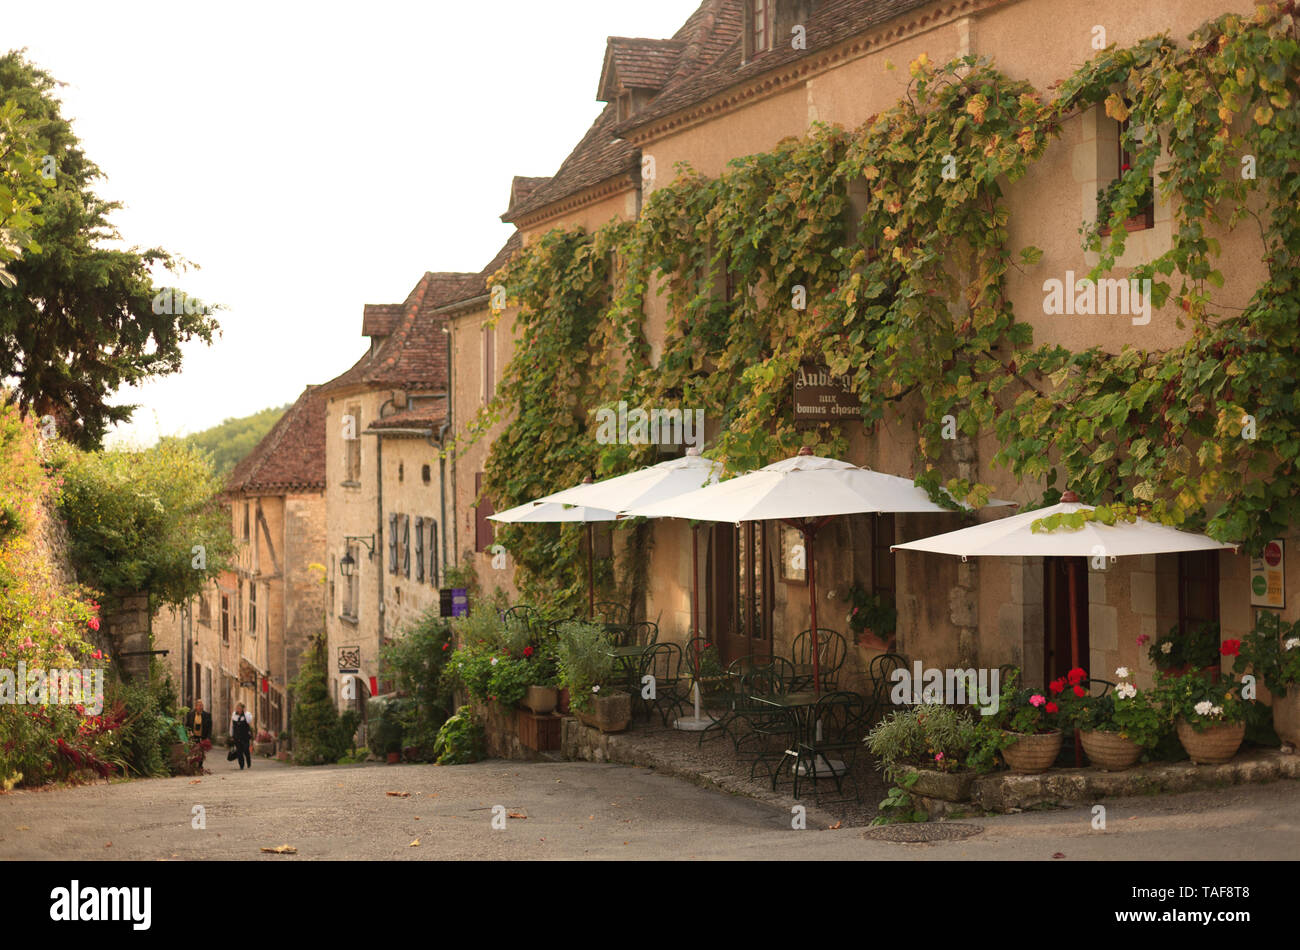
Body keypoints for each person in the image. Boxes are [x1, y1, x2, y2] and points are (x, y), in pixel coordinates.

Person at [231, 702, 254, 770]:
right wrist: (231, 735)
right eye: (237, 708)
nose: (238, 709)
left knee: (246, 750)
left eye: (240, 708)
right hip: (237, 736)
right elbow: (232, 726)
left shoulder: (246, 715)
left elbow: (249, 721)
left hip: (245, 736)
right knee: (239, 751)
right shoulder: (234, 715)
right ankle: (241, 765)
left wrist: (245, 712)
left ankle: (248, 763)